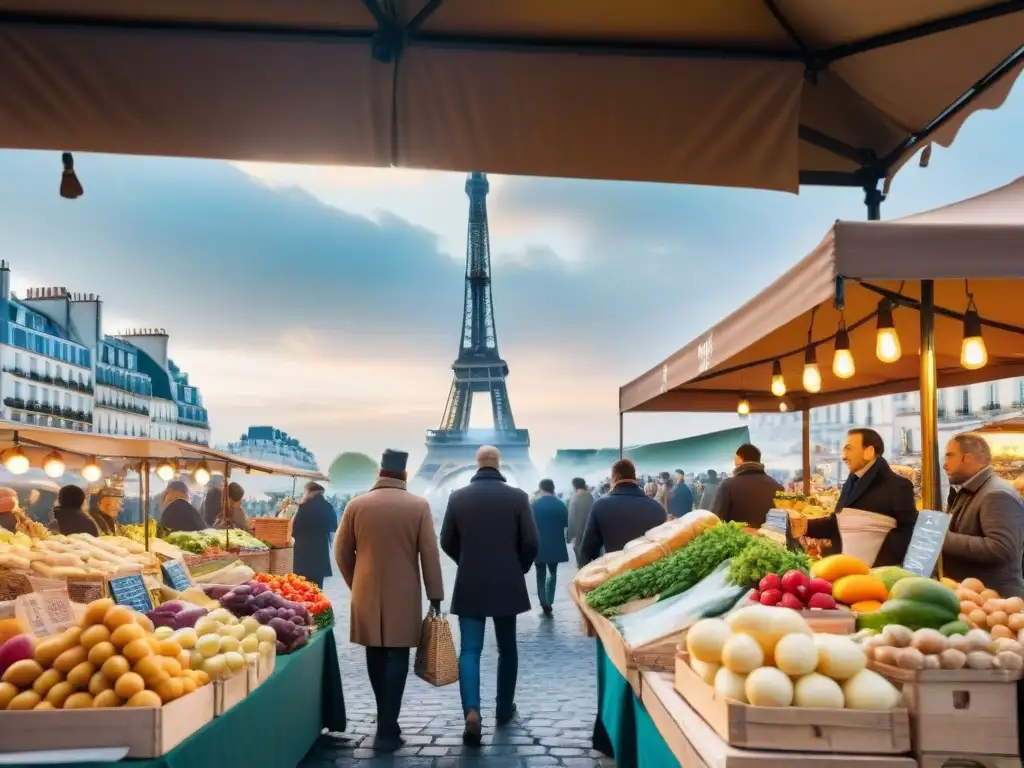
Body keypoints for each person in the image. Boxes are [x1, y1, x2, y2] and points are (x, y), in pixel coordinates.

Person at [336, 450, 444, 752]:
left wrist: (356, 582)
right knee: (397, 655)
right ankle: (387, 725)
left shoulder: (356, 505)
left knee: (374, 650)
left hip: (366, 590)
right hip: (405, 592)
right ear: (405, 475)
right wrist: (435, 594)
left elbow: (341, 552)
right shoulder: (419, 506)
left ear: (379, 472)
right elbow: (429, 554)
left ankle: (385, 719)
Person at [440, 445, 538, 746]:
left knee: (470, 649)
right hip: (506, 581)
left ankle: (472, 710)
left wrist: (465, 560)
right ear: (499, 464)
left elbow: (446, 541)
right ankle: (504, 708)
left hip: (470, 580)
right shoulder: (518, 497)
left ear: (476, 464)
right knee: (507, 647)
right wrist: (516, 568)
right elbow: (531, 542)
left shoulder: (457, 497)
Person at [790, 428, 916, 567]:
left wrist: (873, 557)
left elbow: (907, 533)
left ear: (869, 452)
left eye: (849, 449)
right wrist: (806, 526)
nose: (844, 456)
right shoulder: (852, 482)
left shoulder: (898, 486)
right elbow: (838, 522)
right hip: (842, 568)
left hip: (871, 575)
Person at [941, 432, 1024, 598]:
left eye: (950, 456)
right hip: (977, 596)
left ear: (968, 458)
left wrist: (941, 537)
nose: (945, 465)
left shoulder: (996, 494)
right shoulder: (974, 489)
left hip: (996, 601)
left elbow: (1002, 548)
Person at [579, 458, 666, 566]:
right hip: (650, 578)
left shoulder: (600, 506)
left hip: (615, 576)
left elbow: (587, 552)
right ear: (634, 477)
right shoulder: (658, 508)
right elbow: (666, 550)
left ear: (613, 478)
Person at [712, 443, 784, 530]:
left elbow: (713, 520)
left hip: (739, 542)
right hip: (773, 542)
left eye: (734, 458)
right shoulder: (778, 488)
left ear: (740, 458)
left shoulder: (727, 486)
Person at [530, 479, 569, 617]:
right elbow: (566, 523)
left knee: (540, 574)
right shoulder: (561, 504)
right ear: (553, 488)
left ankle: (544, 603)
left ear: (541, 489)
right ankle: (550, 601)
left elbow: (529, 525)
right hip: (555, 543)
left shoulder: (535, 505)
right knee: (553, 573)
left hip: (539, 544)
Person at [292, 481, 337, 589]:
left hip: (303, 551)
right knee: (317, 586)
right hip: (320, 550)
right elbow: (334, 526)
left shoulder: (304, 507)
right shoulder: (328, 506)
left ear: (309, 491)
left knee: (303, 586)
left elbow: (295, 529)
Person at [567, 477, 594, 567]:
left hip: (579, 536)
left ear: (574, 486)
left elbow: (572, 519)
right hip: (592, 534)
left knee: (582, 564)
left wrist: (571, 537)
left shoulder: (574, 498)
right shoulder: (590, 496)